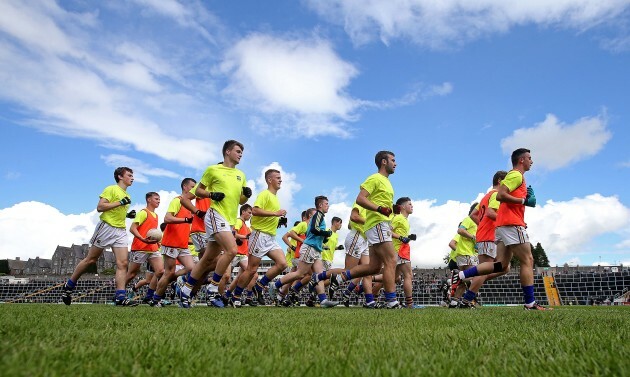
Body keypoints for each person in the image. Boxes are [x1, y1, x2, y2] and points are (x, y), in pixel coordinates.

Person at [455, 148, 552, 310]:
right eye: (529, 158)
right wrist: (524, 201)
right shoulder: (516, 175)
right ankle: (530, 303)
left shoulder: (497, 189)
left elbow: (477, 213)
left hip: (501, 226)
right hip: (511, 224)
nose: (532, 161)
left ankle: (460, 276)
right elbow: (500, 195)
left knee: (501, 265)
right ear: (521, 160)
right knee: (527, 260)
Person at [317, 151, 400, 309]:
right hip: (377, 224)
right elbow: (360, 199)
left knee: (374, 267)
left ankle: (340, 278)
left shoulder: (387, 182)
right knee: (391, 261)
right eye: (393, 160)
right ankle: (392, 301)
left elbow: (380, 203)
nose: (396, 163)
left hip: (378, 225)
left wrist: (390, 208)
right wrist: (380, 209)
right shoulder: (375, 178)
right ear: (383, 162)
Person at [179, 140, 251, 308]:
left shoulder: (241, 175)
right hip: (215, 215)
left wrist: (246, 196)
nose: (241, 154)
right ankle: (212, 289)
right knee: (232, 250)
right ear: (227, 152)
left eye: (242, 152)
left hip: (230, 220)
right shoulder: (213, 169)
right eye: (238, 151)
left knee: (207, 260)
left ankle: (185, 291)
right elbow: (198, 191)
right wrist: (212, 195)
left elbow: (240, 200)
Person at [61, 167, 138, 306]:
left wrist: (127, 215)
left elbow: (115, 210)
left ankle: (120, 297)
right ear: (120, 177)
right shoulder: (111, 189)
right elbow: (100, 207)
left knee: (123, 263)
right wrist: (120, 203)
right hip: (106, 227)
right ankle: (69, 285)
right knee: (91, 260)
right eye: (129, 175)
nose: (132, 178)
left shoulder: (128, 195)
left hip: (120, 230)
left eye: (132, 176)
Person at [230, 169, 288, 307]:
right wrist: (275, 213)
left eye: (281, 178)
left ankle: (259, 286)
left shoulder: (275, 198)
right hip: (259, 235)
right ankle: (235, 296)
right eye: (278, 178)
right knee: (251, 269)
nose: (281, 180)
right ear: (269, 180)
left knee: (283, 264)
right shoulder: (265, 194)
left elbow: (267, 216)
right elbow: (255, 210)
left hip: (270, 238)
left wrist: (278, 221)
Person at [276, 196, 339, 308]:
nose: (328, 206)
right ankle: (276, 285)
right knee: (300, 273)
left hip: (316, 249)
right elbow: (315, 229)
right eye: (326, 204)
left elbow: (314, 232)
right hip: (310, 248)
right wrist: (326, 234)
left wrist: (324, 239)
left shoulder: (320, 217)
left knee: (318, 276)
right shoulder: (318, 215)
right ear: (320, 205)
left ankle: (323, 300)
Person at [459, 171, 509, 308]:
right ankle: (464, 288)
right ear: (500, 181)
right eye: (507, 181)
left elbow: (474, 214)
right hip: (488, 236)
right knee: (485, 268)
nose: (509, 185)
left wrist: (482, 225)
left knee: (505, 267)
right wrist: (506, 220)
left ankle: (469, 281)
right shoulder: (495, 195)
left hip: (485, 235)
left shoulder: (485, 197)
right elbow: (490, 213)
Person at [150, 178, 197, 307]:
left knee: (192, 268)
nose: (195, 190)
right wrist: (185, 219)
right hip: (171, 243)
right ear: (185, 187)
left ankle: (174, 279)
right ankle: (155, 299)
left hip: (182, 245)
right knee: (169, 273)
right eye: (193, 187)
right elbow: (167, 218)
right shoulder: (177, 200)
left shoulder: (190, 206)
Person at [125, 192, 164, 304]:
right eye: (156, 199)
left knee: (160, 271)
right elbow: (133, 229)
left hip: (152, 248)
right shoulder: (143, 212)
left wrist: (157, 243)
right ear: (148, 200)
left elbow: (152, 233)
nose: (158, 201)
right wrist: (142, 239)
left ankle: (150, 297)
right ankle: (119, 293)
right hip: (140, 247)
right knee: (132, 274)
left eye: (159, 199)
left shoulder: (156, 216)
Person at [339, 202, 371, 307]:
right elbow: (353, 217)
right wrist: (371, 222)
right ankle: (319, 277)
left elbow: (349, 224)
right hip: (357, 236)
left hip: (364, 240)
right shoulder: (362, 203)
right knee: (347, 271)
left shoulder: (371, 207)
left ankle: (370, 301)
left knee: (367, 272)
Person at [449, 203, 478, 307]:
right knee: (474, 278)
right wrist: (473, 237)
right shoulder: (469, 219)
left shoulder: (476, 224)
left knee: (464, 283)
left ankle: (454, 302)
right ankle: (467, 302)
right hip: (465, 253)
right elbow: (460, 230)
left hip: (468, 253)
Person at [391, 197, 417, 308]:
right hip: (400, 250)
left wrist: (409, 237)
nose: (412, 206)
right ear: (402, 207)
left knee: (394, 278)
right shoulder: (398, 218)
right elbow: (387, 230)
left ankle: (371, 295)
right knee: (408, 275)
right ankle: (410, 304)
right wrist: (401, 237)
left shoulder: (404, 220)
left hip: (400, 249)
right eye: (409, 204)